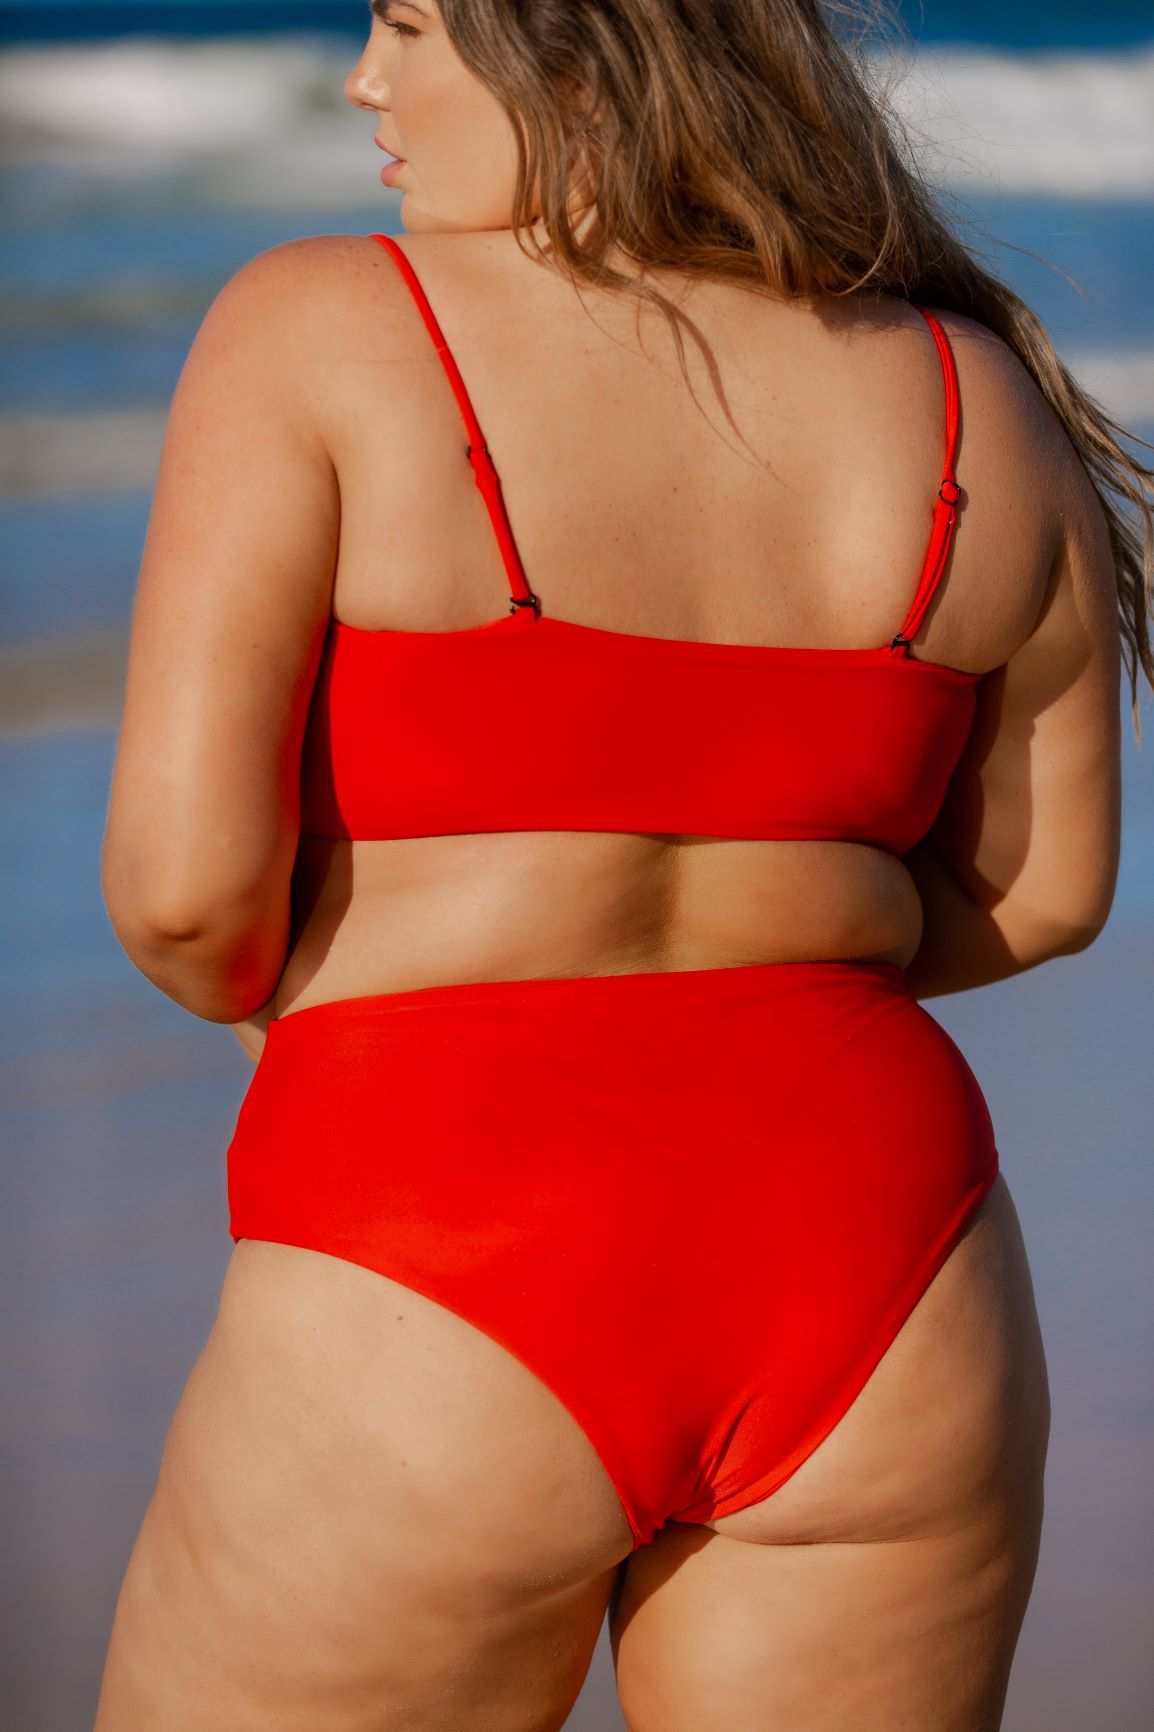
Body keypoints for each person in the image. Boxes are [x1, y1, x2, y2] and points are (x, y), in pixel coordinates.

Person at [96, 2, 1150, 1727]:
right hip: (880, 1259)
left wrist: (361, 1016)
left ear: (581, 49)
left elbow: (186, 890)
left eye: (410, 22)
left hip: (433, 1223)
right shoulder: (981, 399)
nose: (365, 78)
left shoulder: (323, 326)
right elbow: (1043, 894)